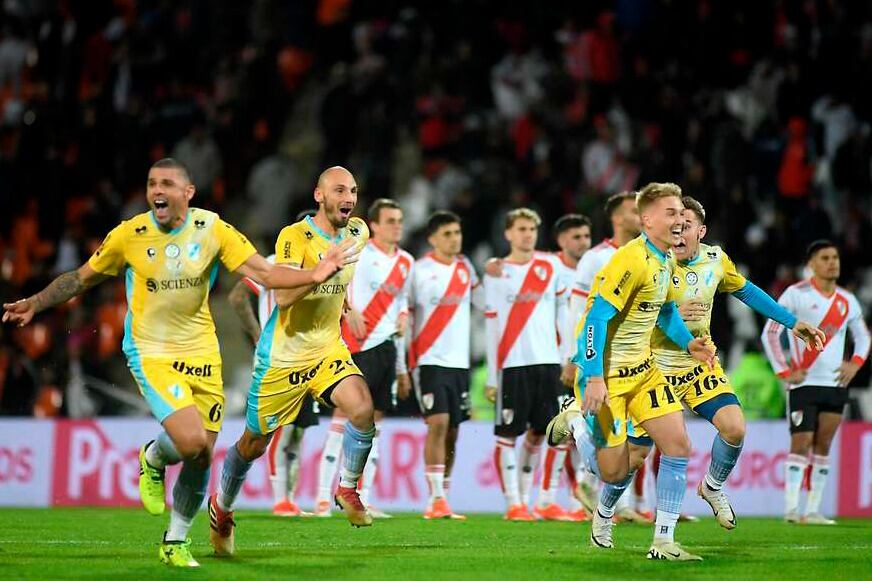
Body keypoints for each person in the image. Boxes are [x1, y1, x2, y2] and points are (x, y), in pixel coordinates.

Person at [2, 159, 358, 568]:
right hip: (152, 350)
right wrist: (36, 302)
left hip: (202, 351)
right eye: (152, 183)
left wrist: (314, 274)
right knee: (190, 442)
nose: (158, 190)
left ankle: (175, 540)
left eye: (168, 184)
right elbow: (81, 278)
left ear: (188, 193)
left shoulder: (212, 229)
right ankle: (154, 456)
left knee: (203, 453)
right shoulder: (130, 235)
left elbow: (263, 272)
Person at [589, 196, 824, 537]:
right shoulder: (653, 262)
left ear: (701, 231)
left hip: (699, 365)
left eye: (685, 226)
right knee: (636, 455)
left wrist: (792, 322)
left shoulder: (716, 260)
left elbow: (747, 292)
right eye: (674, 226)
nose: (678, 233)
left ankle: (712, 487)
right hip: (652, 368)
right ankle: (604, 512)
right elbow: (624, 316)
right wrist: (671, 315)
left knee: (734, 427)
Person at [208, 166, 375, 557]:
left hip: (327, 348)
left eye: (353, 190)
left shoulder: (358, 231)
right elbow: (282, 298)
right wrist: (320, 272)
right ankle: (222, 506)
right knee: (253, 444)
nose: (349, 198)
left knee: (362, 408)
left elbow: (341, 278)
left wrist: (345, 304)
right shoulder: (293, 237)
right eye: (339, 190)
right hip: (284, 357)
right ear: (319, 195)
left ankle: (347, 488)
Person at [547, 182, 715, 561]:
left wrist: (688, 343)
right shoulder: (630, 260)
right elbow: (596, 319)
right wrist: (593, 378)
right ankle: (574, 421)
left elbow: (665, 310)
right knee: (611, 471)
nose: (679, 220)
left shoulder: (665, 258)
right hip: (606, 377)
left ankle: (663, 542)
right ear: (647, 219)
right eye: (671, 213)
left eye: (681, 213)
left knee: (678, 445)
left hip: (644, 372)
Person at [314, 198, 413, 519]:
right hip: (357, 344)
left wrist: (403, 316)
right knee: (344, 417)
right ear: (375, 225)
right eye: (391, 220)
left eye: (400, 220)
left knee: (375, 423)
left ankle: (363, 497)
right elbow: (334, 278)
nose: (397, 225)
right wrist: (348, 309)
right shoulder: (358, 250)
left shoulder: (406, 262)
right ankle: (321, 499)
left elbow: (402, 299)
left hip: (387, 346)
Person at [762, 240, 870, 524]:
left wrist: (855, 364)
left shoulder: (847, 300)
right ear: (811, 264)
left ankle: (812, 511)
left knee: (823, 445)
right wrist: (784, 372)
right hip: (804, 383)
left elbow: (863, 336)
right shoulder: (795, 294)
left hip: (835, 384)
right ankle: (791, 509)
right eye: (825, 258)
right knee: (801, 443)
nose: (832, 262)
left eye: (835, 257)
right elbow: (770, 333)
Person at [227, 209, 320, 518]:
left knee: (299, 430)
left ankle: (289, 498)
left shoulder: (322, 268)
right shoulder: (274, 263)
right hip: (279, 357)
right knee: (282, 429)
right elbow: (237, 297)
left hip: (310, 358)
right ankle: (280, 500)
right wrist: (257, 334)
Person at [484, 209, 573, 521]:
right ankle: (513, 503)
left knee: (544, 432)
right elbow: (491, 323)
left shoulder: (550, 266)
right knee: (508, 435)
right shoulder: (496, 272)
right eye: (521, 229)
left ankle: (538, 501)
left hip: (548, 363)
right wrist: (492, 375)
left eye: (532, 229)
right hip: (512, 363)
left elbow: (563, 313)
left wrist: (567, 357)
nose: (527, 234)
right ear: (508, 234)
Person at [570, 192, 651, 523]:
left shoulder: (648, 253)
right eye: (634, 211)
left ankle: (618, 502)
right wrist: (574, 355)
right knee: (611, 423)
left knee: (636, 426)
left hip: (637, 350)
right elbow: (578, 308)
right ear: (617, 218)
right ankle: (592, 480)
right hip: (602, 352)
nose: (642, 216)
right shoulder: (596, 258)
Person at [410, 210, 483, 520]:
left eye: (457, 233)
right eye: (448, 234)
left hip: (459, 363)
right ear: (433, 239)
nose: (455, 239)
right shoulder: (419, 270)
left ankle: (444, 496)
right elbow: (405, 311)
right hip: (429, 359)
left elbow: (484, 303)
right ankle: (435, 498)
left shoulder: (466, 269)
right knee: (437, 423)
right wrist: (404, 363)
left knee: (453, 430)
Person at [538, 213, 592, 521]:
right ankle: (546, 499)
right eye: (576, 237)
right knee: (561, 429)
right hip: (559, 362)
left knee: (586, 431)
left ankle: (577, 502)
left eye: (586, 236)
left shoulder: (595, 268)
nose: (583, 242)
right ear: (561, 240)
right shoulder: (548, 267)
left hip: (588, 363)